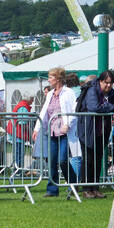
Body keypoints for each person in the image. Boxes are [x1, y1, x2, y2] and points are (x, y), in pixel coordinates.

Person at [75, 70, 114, 198]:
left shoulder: (112, 93)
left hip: (102, 131)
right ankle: (87, 188)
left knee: (97, 159)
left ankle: (95, 188)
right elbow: (94, 108)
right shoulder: (92, 90)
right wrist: (109, 107)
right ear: (100, 81)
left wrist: (107, 106)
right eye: (105, 83)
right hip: (88, 130)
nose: (108, 86)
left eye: (110, 83)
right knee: (88, 159)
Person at [34, 67, 79, 196]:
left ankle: (73, 184)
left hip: (64, 132)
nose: (49, 80)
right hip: (52, 131)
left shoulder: (68, 93)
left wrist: (68, 124)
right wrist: (37, 128)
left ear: (58, 79)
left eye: (51, 77)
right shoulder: (49, 94)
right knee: (52, 161)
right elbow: (44, 112)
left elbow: (73, 111)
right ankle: (52, 189)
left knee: (63, 160)